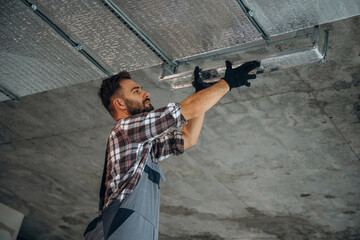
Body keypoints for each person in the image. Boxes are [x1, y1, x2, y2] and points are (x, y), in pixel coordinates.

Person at [84, 60, 260, 240]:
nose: (146, 93)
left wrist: (202, 93)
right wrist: (229, 82)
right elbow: (187, 110)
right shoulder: (125, 129)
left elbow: (187, 138)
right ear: (120, 104)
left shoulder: (142, 146)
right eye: (136, 91)